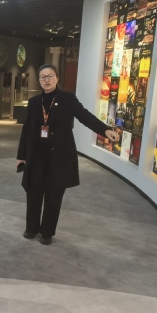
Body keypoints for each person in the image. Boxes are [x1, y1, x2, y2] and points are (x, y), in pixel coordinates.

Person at [16, 64, 119, 245]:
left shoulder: (67, 99)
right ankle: (31, 228)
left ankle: (47, 232)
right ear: (39, 80)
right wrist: (21, 155)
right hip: (37, 156)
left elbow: (85, 116)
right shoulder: (34, 102)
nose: (46, 80)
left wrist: (104, 129)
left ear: (57, 77)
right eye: (43, 77)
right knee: (33, 194)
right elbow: (27, 130)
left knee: (54, 195)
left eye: (50, 76)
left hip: (59, 157)